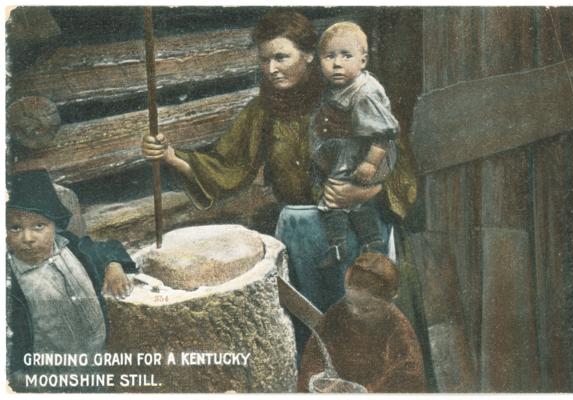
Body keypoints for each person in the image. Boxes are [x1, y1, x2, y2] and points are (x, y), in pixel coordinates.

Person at [141, 10, 435, 389]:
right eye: (264, 60)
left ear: (310, 55)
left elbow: (398, 162)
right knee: (312, 335)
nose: (271, 69)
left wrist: (363, 190)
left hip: (359, 226)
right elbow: (228, 165)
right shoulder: (264, 110)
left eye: (281, 57)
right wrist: (170, 157)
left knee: (368, 327)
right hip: (299, 237)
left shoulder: (349, 97)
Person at [6, 170, 136, 392]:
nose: (27, 238)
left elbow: (106, 248)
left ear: (54, 225)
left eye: (39, 226)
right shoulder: (10, 281)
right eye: (16, 228)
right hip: (47, 381)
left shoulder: (73, 248)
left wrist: (113, 266)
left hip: (96, 364)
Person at [310, 22, 399, 268]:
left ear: (363, 60)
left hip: (371, 153)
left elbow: (384, 133)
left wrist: (370, 163)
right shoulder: (338, 87)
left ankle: (343, 247)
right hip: (350, 151)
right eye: (329, 56)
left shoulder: (365, 92)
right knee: (351, 200)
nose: (337, 63)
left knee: (334, 198)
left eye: (346, 55)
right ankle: (365, 244)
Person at [297, 252, 426, 392]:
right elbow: (315, 353)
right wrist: (317, 379)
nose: (355, 312)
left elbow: (408, 379)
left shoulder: (398, 329)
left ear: (388, 303)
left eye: (366, 309)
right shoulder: (338, 314)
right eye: (351, 303)